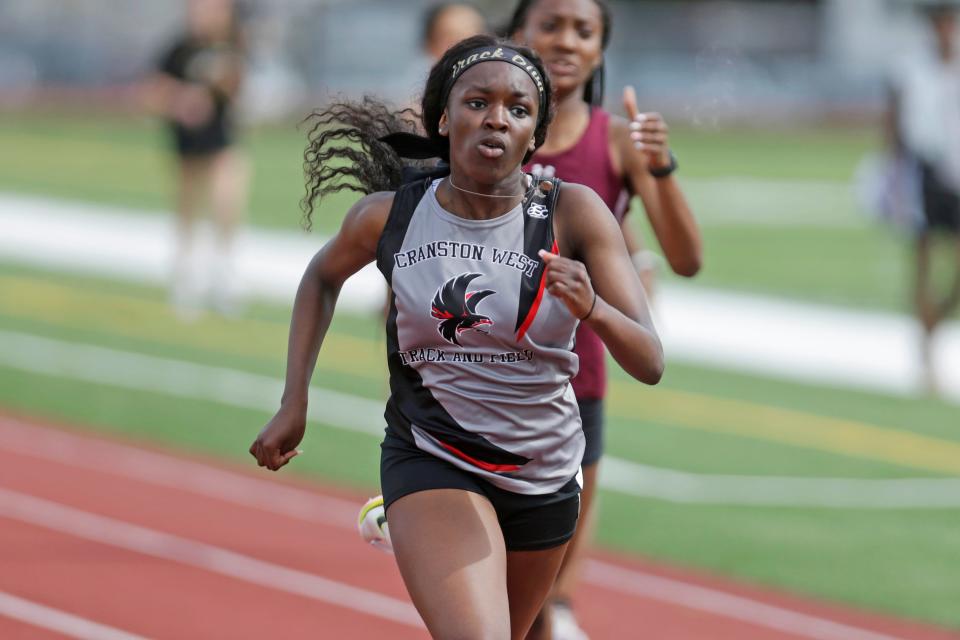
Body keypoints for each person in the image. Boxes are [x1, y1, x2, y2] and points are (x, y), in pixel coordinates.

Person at [250, 35, 664, 640]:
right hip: (434, 456)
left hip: (544, 476)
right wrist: (295, 400)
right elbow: (321, 277)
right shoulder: (390, 216)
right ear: (444, 118)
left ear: (535, 136)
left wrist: (593, 306)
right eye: (478, 102)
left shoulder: (573, 214)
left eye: (518, 109)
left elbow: (650, 360)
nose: (497, 117)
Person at [507, 1, 702, 637]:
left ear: (600, 49)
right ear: (517, 35)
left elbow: (687, 259)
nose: (565, 41)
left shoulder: (616, 141)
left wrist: (661, 167)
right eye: (550, 25)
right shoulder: (487, 127)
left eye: (583, 31)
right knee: (490, 596)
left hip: (573, 387)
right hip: (471, 379)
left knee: (547, 598)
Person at [146, 0, 250, 318]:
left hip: (221, 140)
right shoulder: (178, 49)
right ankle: (185, 276)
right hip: (188, 143)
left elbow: (237, 89)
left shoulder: (233, 45)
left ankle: (224, 273)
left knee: (227, 199)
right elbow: (153, 92)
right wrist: (182, 101)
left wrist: (222, 81)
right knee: (188, 207)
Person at [886, 2, 960, 394]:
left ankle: (936, 323)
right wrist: (895, 181)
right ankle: (926, 352)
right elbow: (895, 128)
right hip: (925, 172)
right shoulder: (911, 67)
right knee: (924, 265)